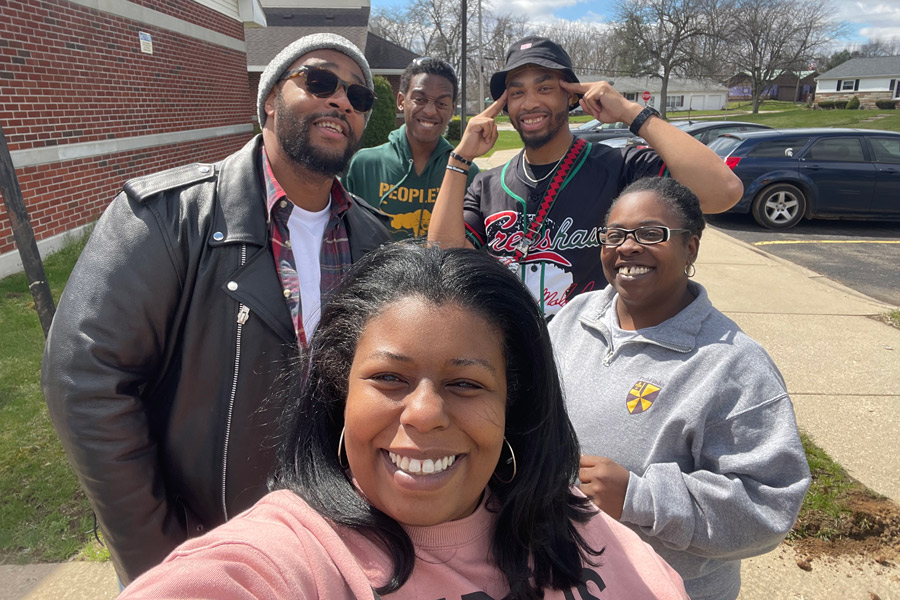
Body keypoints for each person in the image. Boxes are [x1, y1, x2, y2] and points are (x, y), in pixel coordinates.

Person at [118, 243, 689, 599]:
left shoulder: (569, 516)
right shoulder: (288, 557)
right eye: (389, 379)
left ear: (513, 402)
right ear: (339, 390)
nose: (424, 413)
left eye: (466, 384)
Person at [41, 33, 391, 585]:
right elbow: (85, 380)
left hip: (341, 541)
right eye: (321, 81)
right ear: (270, 100)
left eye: (358, 96)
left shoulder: (374, 238)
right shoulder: (166, 218)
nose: (342, 101)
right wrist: (164, 557)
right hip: (210, 547)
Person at [548, 177, 811, 600]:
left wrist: (640, 497)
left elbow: (768, 506)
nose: (628, 247)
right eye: (615, 235)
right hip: (563, 572)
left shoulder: (732, 364)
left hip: (666, 589)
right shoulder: (576, 316)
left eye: (651, 234)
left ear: (690, 247)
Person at [428, 36, 744, 316]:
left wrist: (630, 112)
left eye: (545, 87)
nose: (530, 102)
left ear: (571, 95)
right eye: (517, 92)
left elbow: (723, 191)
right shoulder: (488, 184)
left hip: (590, 350)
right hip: (514, 353)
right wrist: (461, 157)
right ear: (503, 105)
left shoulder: (621, 167)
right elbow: (443, 254)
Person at [344, 57, 479, 239]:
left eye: (442, 103)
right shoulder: (364, 165)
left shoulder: (467, 173)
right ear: (401, 101)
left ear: (452, 109)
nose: (430, 111)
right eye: (420, 99)